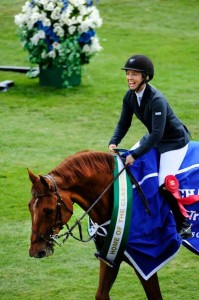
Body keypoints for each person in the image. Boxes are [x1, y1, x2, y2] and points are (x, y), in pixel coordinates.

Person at [108, 54, 192, 238]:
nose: (129, 78)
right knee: (127, 166)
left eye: (134, 74)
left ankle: (183, 223)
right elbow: (124, 123)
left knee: (163, 183)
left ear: (145, 77)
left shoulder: (157, 100)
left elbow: (157, 135)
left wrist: (135, 155)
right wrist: (113, 141)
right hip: (155, 136)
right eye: (128, 74)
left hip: (173, 142)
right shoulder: (130, 96)